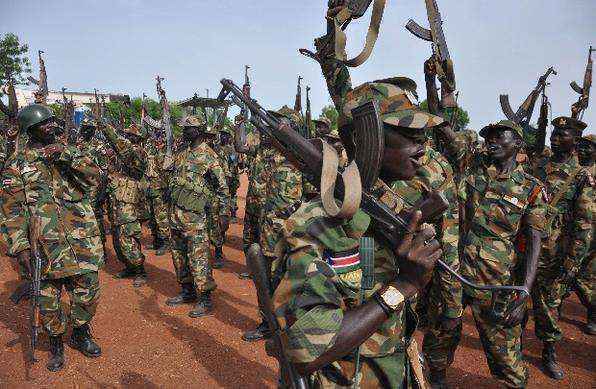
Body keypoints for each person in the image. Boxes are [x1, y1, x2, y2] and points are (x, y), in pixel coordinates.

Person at [271, 17, 447, 387]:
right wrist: (404, 285)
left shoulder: (392, 205)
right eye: (409, 135)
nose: (422, 149)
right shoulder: (316, 223)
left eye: (424, 137)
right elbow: (306, 350)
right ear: (370, 139)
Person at [14, 104, 105, 371]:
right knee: (47, 300)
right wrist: (20, 248)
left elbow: (95, 178)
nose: (52, 126)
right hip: (44, 246)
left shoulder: (74, 153)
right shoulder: (18, 164)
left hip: (81, 241)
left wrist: (66, 155)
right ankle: (55, 342)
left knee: (87, 293)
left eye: (53, 121)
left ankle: (80, 333)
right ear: (31, 130)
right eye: (45, 124)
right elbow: (11, 209)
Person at [528, 117, 593, 379]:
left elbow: (584, 225)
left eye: (561, 134)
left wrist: (572, 263)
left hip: (552, 255)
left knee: (547, 307)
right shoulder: (539, 165)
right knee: (515, 300)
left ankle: (549, 353)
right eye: (553, 132)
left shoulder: (581, 177)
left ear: (575, 141)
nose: (554, 137)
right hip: (525, 248)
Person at [242, 106, 304, 342]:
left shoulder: (301, 159)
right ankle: (268, 324)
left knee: (291, 282)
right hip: (266, 231)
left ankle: (290, 327)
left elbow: (313, 198)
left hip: (292, 237)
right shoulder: (264, 154)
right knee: (265, 279)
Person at [164, 115, 230, 318]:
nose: (183, 132)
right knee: (179, 255)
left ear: (199, 131)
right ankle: (187, 291)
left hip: (197, 218)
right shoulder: (182, 154)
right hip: (176, 215)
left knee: (198, 256)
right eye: (184, 129)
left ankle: (205, 298)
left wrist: (223, 212)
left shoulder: (209, 156)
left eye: (187, 129)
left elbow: (222, 188)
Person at [100, 122, 148, 287]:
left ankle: (139, 269)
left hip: (128, 202)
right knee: (117, 237)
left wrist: (107, 128)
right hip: (117, 199)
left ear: (138, 138)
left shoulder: (137, 152)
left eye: (131, 135)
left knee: (127, 236)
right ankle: (129, 266)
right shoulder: (121, 152)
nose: (127, 136)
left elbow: (124, 151)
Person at [572, 134, 595, 335]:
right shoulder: (575, 171)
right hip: (572, 232)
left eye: (589, 147)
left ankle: (593, 312)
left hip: (592, 234)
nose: (583, 150)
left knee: (585, 278)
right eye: (582, 146)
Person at [144, 128, 171, 256]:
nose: (157, 142)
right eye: (156, 139)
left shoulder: (166, 155)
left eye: (160, 140)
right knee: (152, 218)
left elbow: (168, 174)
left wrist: (167, 189)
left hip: (160, 190)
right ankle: (156, 241)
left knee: (162, 218)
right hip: (150, 188)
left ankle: (166, 242)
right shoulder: (151, 152)